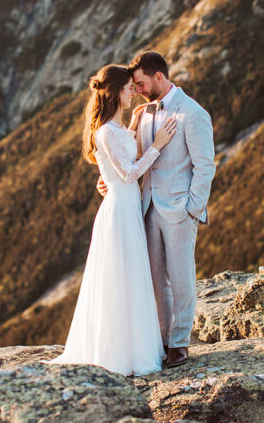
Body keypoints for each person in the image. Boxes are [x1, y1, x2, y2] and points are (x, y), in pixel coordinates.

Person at [44, 64, 178, 376]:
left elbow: (121, 158)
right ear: (117, 91)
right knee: (121, 279)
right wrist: (157, 145)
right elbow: (129, 173)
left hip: (126, 207)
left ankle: (132, 347)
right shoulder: (105, 132)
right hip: (119, 212)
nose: (135, 91)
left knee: (130, 277)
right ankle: (120, 352)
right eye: (130, 87)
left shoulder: (115, 129)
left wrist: (134, 125)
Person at [98, 51, 215, 368]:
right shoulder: (145, 114)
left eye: (140, 83)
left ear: (158, 77)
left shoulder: (193, 113)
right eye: (133, 86)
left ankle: (179, 343)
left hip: (180, 211)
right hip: (146, 209)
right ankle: (161, 342)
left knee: (181, 279)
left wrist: (192, 209)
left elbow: (205, 167)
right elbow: (131, 160)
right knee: (154, 282)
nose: (136, 90)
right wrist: (109, 180)